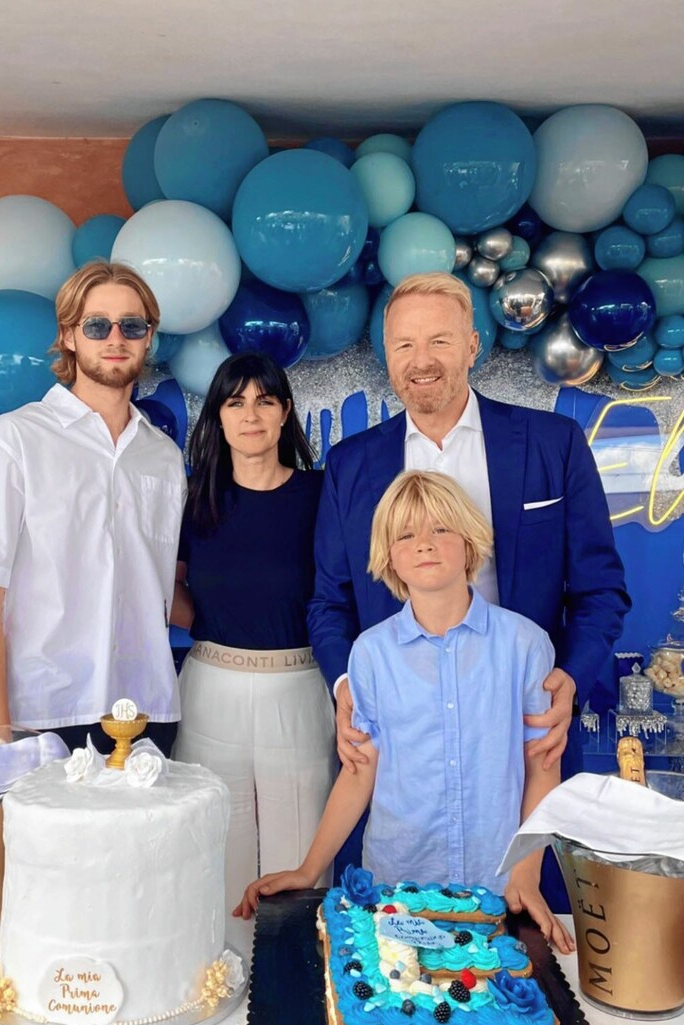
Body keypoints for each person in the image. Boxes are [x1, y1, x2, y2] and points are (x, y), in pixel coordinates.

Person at [308, 273, 630, 903]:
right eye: (403, 345)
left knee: (511, 938)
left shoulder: (552, 444)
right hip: (408, 744)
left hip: (513, 730)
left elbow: (600, 589)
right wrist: (347, 687)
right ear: (385, 355)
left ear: (474, 345)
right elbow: (329, 600)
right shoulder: (352, 464)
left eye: (439, 341)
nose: (421, 361)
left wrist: (572, 675)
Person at [237, 470, 575, 954]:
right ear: (389, 557)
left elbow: (543, 763)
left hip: (496, 886)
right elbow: (359, 770)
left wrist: (526, 871)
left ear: (470, 540)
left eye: (441, 529)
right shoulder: (370, 655)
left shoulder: (524, 644)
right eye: (406, 534)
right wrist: (310, 869)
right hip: (398, 890)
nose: (425, 544)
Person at [0, 261, 186, 756]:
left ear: (148, 337)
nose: (115, 337)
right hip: (42, 713)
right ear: (68, 335)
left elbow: (160, 585)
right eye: (96, 325)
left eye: (132, 325)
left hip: (146, 708)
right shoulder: (15, 440)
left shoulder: (164, 459)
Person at [174, 351, 336, 918]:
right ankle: (219, 988)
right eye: (235, 401)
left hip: (299, 688)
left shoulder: (321, 497)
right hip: (210, 689)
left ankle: (292, 994)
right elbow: (164, 587)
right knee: (216, 853)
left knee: (299, 860)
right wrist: (221, 623)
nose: (251, 414)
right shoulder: (192, 500)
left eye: (265, 400)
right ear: (217, 415)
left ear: (285, 411)